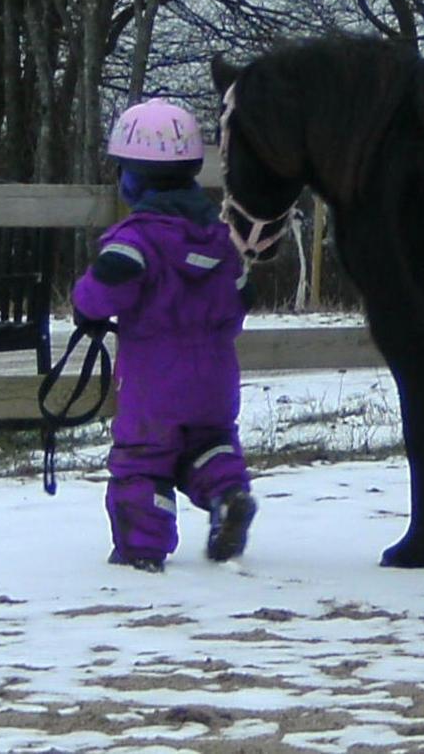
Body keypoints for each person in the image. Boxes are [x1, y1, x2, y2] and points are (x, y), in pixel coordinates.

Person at [72, 98, 257, 572]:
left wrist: (84, 306)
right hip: (215, 378)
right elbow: (241, 300)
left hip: (154, 381)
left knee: (142, 462)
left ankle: (140, 548)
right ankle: (227, 494)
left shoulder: (136, 241)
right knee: (209, 443)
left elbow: (103, 290)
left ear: (132, 178)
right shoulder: (219, 241)